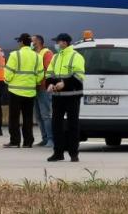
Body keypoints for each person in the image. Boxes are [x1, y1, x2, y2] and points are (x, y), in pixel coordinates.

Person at [46, 33, 86, 162]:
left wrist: (65, 83)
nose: (56, 45)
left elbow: (79, 75)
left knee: (72, 125)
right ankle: (58, 152)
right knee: (56, 124)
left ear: (64, 43)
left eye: (58, 42)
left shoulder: (76, 56)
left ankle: (74, 153)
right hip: (58, 96)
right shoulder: (55, 57)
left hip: (72, 96)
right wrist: (50, 84)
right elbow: (49, 73)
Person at [4, 33, 42, 148]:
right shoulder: (37, 56)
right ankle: (28, 141)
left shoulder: (15, 55)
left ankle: (15, 141)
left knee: (14, 118)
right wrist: (33, 82)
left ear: (21, 42)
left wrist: (8, 81)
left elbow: (8, 72)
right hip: (30, 92)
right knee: (28, 118)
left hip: (15, 91)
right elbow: (40, 75)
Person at [34, 34, 55, 147]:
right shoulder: (35, 53)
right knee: (38, 116)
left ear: (38, 42)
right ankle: (45, 138)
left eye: (33, 41)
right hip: (35, 88)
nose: (31, 43)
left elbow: (48, 70)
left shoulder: (47, 53)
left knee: (46, 114)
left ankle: (51, 139)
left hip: (43, 88)